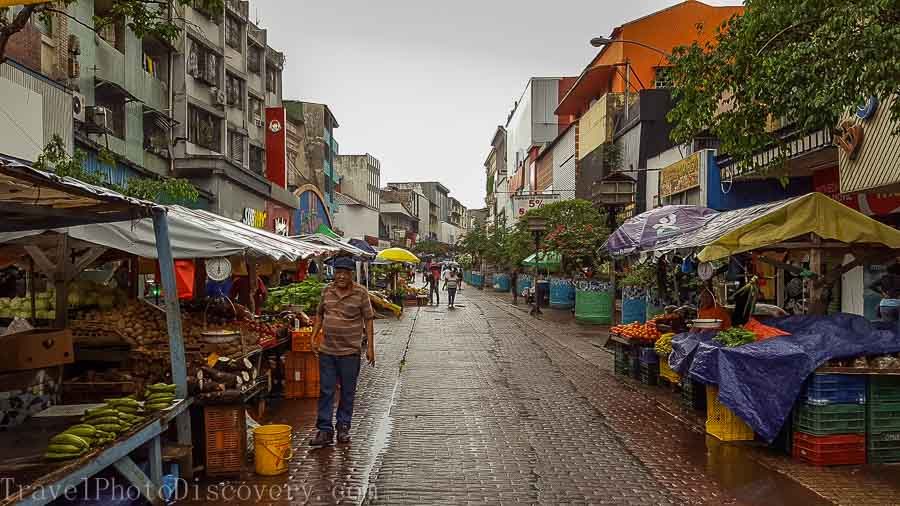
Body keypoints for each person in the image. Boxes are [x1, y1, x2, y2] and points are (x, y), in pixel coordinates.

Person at [309, 256, 376, 447]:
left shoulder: (361, 293)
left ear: (351, 275)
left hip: (350, 352)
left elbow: (368, 319)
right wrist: (314, 335)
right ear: (334, 274)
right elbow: (320, 313)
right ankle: (324, 430)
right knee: (326, 390)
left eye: (345, 273)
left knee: (347, 392)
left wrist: (370, 347)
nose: (341, 277)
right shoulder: (327, 291)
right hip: (327, 351)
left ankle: (343, 427)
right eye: (338, 273)